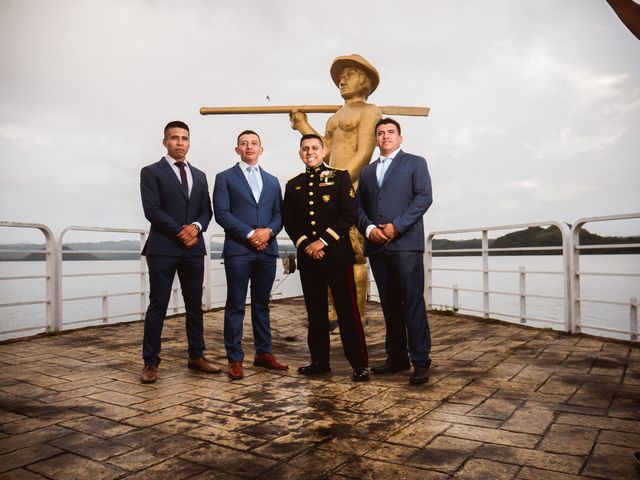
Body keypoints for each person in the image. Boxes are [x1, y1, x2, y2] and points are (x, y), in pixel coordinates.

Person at [290, 54, 383, 324]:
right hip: (329, 189)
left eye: (350, 74)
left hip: (351, 189)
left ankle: (356, 314)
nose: (342, 79)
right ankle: (334, 311)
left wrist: (340, 183)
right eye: (340, 76)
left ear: (364, 82)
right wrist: (302, 124)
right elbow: (325, 152)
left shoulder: (370, 111)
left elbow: (365, 152)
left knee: (354, 255)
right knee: (330, 254)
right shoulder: (334, 117)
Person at [282, 134, 369, 382]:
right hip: (309, 259)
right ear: (300, 153)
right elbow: (289, 220)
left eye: (315, 148)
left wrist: (322, 241)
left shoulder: (339, 177)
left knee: (347, 312)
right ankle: (320, 361)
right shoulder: (293, 184)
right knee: (315, 312)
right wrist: (306, 244)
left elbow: (348, 214)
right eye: (305, 148)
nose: (310, 152)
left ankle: (360, 364)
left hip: (337, 257)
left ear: (323, 152)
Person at [139, 120, 220, 384]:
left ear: (189, 142)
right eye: (174, 138)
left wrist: (195, 228)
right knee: (158, 305)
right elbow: (152, 210)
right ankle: (151, 363)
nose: (180, 142)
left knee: (194, 305)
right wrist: (180, 231)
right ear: (165, 142)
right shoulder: (150, 172)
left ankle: (196, 356)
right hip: (163, 248)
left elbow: (206, 211)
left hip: (193, 249)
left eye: (184, 138)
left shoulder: (199, 175)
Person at [356, 118, 433, 385]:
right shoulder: (366, 172)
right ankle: (397, 357)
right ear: (376, 139)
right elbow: (358, 208)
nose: (385, 136)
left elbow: (424, 197)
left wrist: (397, 227)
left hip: (406, 245)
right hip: (377, 247)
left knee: (412, 303)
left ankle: (421, 361)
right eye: (380, 133)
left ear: (400, 138)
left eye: (390, 132)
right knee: (389, 305)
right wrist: (368, 230)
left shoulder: (416, 163)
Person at [213, 130, 287, 380]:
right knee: (235, 305)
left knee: (262, 304)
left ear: (261, 149)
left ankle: (263, 353)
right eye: (244, 143)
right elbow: (221, 212)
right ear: (237, 150)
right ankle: (235, 359)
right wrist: (249, 234)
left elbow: (280, 214)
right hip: (239, 251)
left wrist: (269, 231)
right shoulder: (224, 178)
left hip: (267, 250)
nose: (249, 147)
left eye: (254, 143)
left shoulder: (273, 181)